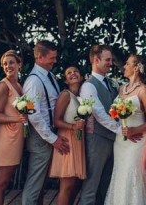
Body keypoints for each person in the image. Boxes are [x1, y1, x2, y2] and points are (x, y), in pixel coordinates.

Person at [21, 40, 70, 205]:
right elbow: (34, 115)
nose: (55, 61)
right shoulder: (34, 81)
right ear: (40, 57)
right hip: (41, 136)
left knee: (41, 184)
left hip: (48, 134)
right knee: (35, 183)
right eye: (52, 58)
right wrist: (53, 139)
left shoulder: (49, 77)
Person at [105, 54, 146, 205]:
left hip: (138, 140)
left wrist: (136, 130)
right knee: (120, 173)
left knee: (133, 173)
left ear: (135, 68)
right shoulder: (121, 89)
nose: (124, 66)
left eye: (127, 64)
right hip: (121, 140)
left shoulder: (143, 90)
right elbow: (114, 113)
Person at [79, 45, 121, 205]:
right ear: (96, 60)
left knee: (105, 185)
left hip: (112, 140)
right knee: (91, 186)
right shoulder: (88, 86)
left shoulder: (110, 83)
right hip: (96, 140)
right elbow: (99, 114)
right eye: (107, 60)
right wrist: (121, 130)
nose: (111, 63)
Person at [0, 50, 28, 205]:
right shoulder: (3, 86)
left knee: (6, 181)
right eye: (5, 64)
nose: (8, 66)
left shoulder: (18, 85)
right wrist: (18, 118)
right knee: (1, 183)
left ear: (19, 65)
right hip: (6, 139)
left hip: (17, 138)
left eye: (11, 62)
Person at [49, 66, 87, 205]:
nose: (73, 74)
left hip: (79, 140)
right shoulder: (65, 95)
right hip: (67, 139)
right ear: (66, 80)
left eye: (76, 71)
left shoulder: (81, 98)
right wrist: (73, 126)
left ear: (81, 77)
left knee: (75, 185)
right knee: (67, 186)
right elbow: (56, 120)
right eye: (69, 73)